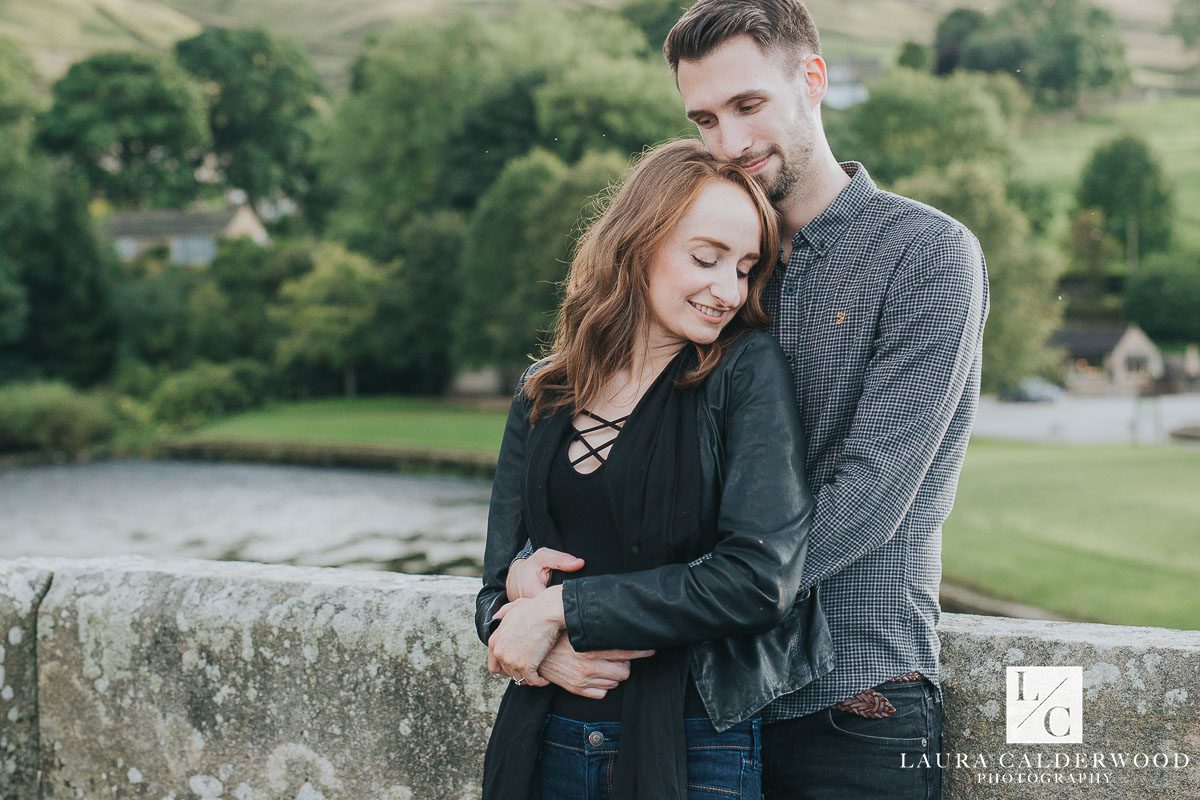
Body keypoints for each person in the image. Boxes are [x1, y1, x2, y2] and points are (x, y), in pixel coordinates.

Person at [499, 1, 990, 798]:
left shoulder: (926, 256)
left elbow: (867, 501)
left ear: (814, 81)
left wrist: (593, 607)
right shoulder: (718, 267)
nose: (730, 143)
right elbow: (632, 451)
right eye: (704, 119)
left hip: (850, 698)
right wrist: (534, 578)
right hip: (693, 711)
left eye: (748, 105)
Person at [475, 138, 834, 800]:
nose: (727, 290)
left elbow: (757, 581)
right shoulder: (543, 391)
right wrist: (536, 635)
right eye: (706, 258)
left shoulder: (745, 374)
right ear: (638, 244)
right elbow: (497, 586)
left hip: (694, 744)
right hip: (541, 738)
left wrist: (563, 608)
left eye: (745, 268)